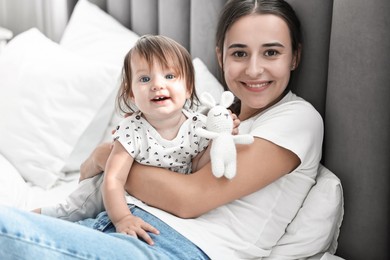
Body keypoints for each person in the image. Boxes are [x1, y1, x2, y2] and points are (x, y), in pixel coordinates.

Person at [0, 0, 324, 259]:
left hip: (176, 246)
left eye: (271, 52)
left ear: (294, 57)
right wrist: (104, 162)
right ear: (221, 57)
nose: (254, 69)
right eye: (239, 53)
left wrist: (108, 157)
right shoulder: (214, 118)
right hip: (121, 221)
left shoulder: (297, 119)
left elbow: (189, 198)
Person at [33, 34, 219, 245]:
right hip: (105, 189)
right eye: (145, 79)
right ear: (131, 94)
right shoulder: (133, 129)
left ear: (188, 87)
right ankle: (20, 219)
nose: (157, 85)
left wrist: (218, 138)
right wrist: (122, 218)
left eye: (169, 76)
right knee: (68, 213)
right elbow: (114, 179)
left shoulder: (197, 125)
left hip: (146, 195)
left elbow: (197, 166)